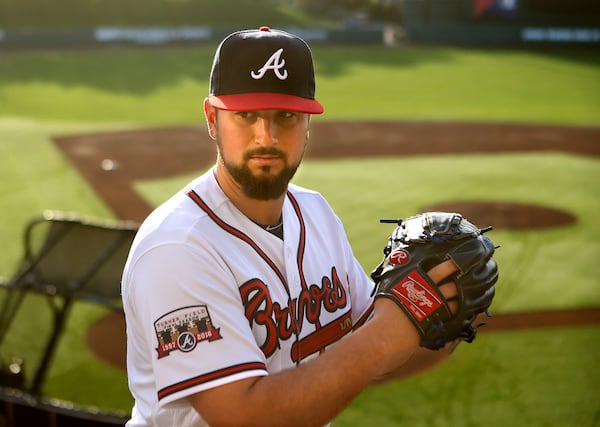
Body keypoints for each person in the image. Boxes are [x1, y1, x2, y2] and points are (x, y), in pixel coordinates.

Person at [121, 26, 460, 426]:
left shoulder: (315, 213)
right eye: (246, 115)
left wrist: (441, 317)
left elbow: (376, 347)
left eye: (286, 115)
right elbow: (245, 417)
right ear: (213, 119)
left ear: (307, 123)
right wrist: (391, 330)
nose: (267, 136)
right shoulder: (176, 249)